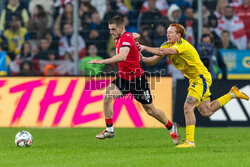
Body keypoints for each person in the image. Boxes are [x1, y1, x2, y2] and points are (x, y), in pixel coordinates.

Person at [137, 23, 249, 148]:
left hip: (201, 77)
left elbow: (163, 51)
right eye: (167, 32)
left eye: (171, 32)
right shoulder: (166, 45)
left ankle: (190, 142)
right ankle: (232, 94)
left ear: (179, 35)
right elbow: (153, 59)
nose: (167, 34)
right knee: (207, 111)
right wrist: (142, 58)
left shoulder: (182, 45)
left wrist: (144, 47)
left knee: (188, 106)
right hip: (194, 79)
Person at [88, 16, 180, 144]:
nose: (111, 32)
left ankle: (171, 126)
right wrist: (134, 37)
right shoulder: (123, 36)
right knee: (107, 95)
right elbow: (135, 34)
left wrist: (101, 61)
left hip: (137, 80)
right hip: (124, 78)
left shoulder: (125, 38)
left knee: (151, 110)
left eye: (113, 29)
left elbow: (122, 56)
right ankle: (109, 129)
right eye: (109, 29)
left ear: (122, 28)